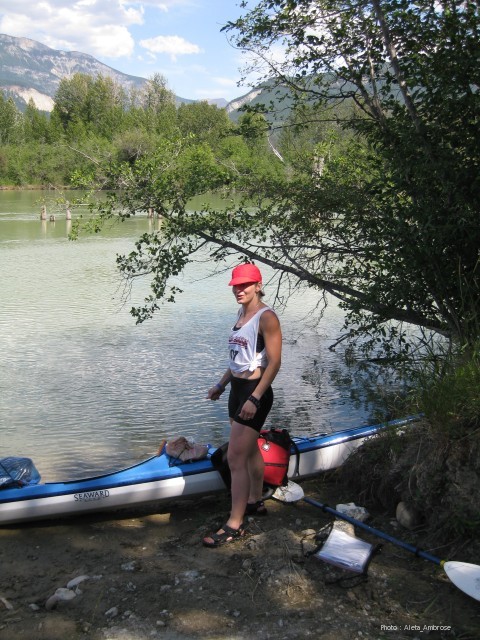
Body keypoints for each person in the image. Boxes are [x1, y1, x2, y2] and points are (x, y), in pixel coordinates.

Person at [203, 263, 282, 547]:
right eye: (236, 285)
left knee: (235, 458)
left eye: (245, 285)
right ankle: (255, 500)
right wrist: (221, 384)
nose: (239, 290)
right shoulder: (241, 314)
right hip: (237, 390)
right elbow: (238, 359)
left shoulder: (266, 317)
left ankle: (234, 525)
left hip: (254, 392)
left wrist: (254, 398)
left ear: (258, 286)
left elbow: (274, 363)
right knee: (248, 452)